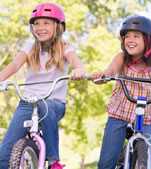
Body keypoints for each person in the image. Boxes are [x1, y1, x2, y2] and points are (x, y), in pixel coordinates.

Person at [91, 15, 151, 169]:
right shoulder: (121, 58)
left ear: (148, 41)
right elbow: (110, 71)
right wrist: (102, 77)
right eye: (127, 36)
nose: (130, 39)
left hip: (146, 115)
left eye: (136, 36)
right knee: (107, 161)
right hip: (119, 113)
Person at [0, 2, 86, 169]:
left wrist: (79, 69)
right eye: (36, 24)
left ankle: (54, 161)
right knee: (5, 153)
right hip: (28, 102)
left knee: (44, 106)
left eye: (46, 23)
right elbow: (14, 65)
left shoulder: (65, 47)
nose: (40, 27)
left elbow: (77, 63)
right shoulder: (30, 47)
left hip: (53, 102)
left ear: (58, 26)